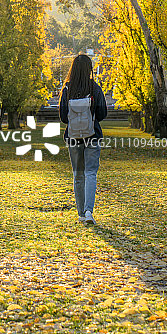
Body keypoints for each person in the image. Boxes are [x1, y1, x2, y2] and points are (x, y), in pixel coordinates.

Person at [59, 54, 108, 225]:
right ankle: (88, 211)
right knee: (90, 173)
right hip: (92, 136)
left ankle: (80, 213)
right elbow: (102, 114)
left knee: (78, 175)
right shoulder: (94, 88)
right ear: (89, 69)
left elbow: (63, 118)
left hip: (73, 138)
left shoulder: (67, 90)